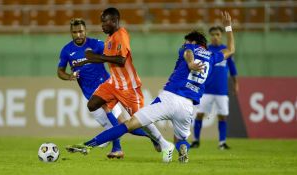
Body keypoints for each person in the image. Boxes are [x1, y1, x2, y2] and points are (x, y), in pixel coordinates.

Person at [66, 11, 235, 163]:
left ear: (192, 42)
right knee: (181, 139)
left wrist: (190, 63)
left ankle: (92, 144)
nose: (184, 44)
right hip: (187, 106)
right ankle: (179, 149)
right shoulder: (212, 56)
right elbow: (231, 50)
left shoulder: (188, 47)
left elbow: (188, 53)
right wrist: (228, 27)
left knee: (130, 124)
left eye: (186, 42)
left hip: (166, 97)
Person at [66, 7, 172, 158]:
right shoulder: (109, 38)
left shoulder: (121, 35)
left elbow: (121, 60)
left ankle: (162, 142)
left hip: (129, 87)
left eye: (104, 22)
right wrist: (93, 58)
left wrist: (96, 58)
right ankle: (112, 130)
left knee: (140, 120)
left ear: (114, 21)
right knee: (92, 104)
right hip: (113, 84)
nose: (101, 25)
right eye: (101, 22)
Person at [57, 18, 126, 158]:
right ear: (71, 33)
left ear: (85, 31)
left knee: (112, 115)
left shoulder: (96, 44)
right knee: (120, 125)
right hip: (89, 94)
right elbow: (60, 71)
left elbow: (114, 56)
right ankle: (156, 139)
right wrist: (69, 76)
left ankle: (115, 148)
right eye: (74, 32)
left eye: (81, 31)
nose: (78, 35)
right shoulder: (66, 51)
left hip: (105, 86)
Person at [190, 26, 238, 150]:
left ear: (221, 36)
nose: (215, 37)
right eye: (213, 35)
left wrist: (236, 84)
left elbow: (232, 69)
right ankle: (195, 141)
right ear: (210, 36)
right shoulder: (206, 50)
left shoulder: (225, 51)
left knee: (222, 116)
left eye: (217, 34)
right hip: (206, 90)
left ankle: (222, 142)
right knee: (199, 114)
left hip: (222, 91)